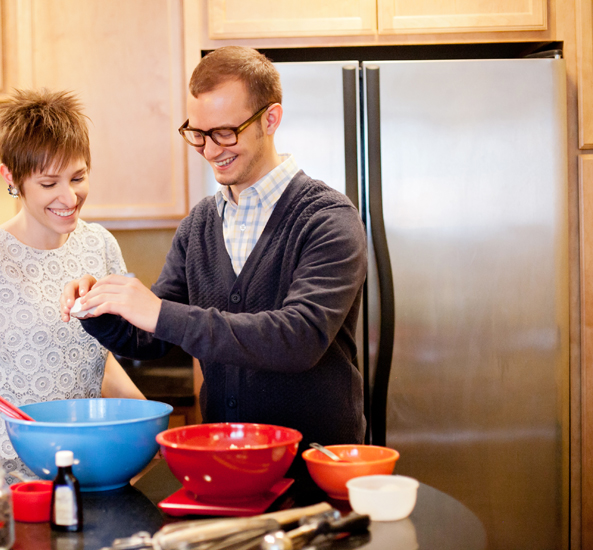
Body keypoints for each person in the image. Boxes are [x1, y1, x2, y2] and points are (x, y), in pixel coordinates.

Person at [60, 46, 368, 467]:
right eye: (198, 134)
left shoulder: (327, 217)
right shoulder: (200, 224)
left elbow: (298, 339)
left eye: (225, 132)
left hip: (314, 466)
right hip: (225, 464)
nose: (209, 150)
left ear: (270, 119)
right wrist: (100, 308)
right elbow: (152, 337)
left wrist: (159, 313)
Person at [0, 89, 144, 485]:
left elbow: (96, 360)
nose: (69, 196)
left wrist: (149, 421)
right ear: (11, 178)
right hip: (12, 484)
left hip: (92, 471)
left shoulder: (99, 246)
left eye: (78, 177)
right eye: (49, 183)